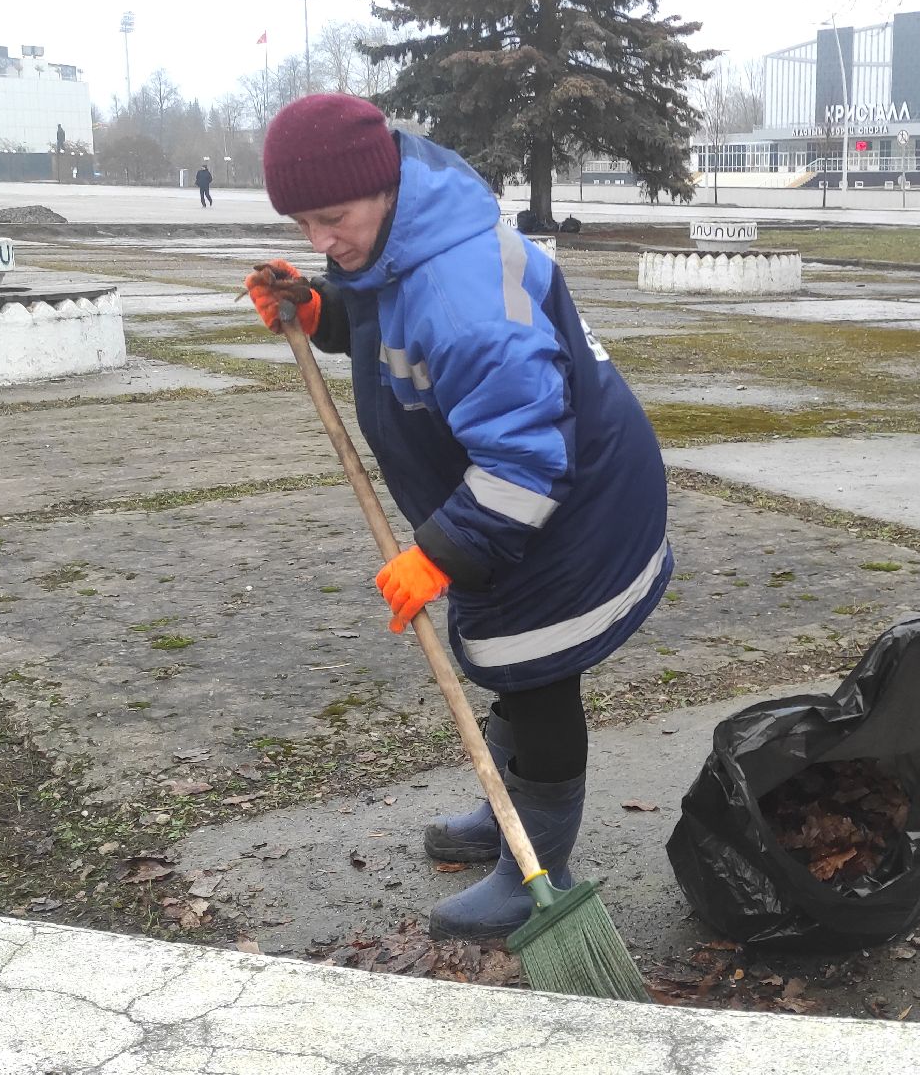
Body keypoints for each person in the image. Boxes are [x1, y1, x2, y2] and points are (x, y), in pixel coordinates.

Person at [242, 94, 673, 941]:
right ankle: (509, 811)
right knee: (509, 666)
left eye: (332, 217)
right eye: (301, 224)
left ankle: (534, 865)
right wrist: (326, 311)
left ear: (384, 185)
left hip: (570, 506)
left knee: (537, 675)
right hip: (515, 493)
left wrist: (438, 553)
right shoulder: (402, 243)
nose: (320, 240)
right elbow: (386, 318)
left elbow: (525, 462)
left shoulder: (465, 292)